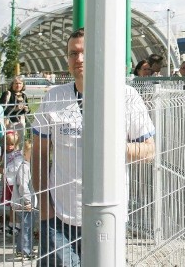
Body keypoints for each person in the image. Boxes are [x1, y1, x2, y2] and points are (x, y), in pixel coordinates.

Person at [32, 28, 156, 266]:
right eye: (72, 54)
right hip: (59, 216)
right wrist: (45, 207)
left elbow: (149, 151)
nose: (78, 59)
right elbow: (38, 153)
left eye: (83, 53)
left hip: (107, 214)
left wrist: (110, 147)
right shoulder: (54, 97)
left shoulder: (126, 97)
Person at [11, 139, 37, 260]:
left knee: (25, 227)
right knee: (27, 227)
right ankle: (26, 251)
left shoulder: (28, 167)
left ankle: (21, 249)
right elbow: (22, 185)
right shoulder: (24, 168)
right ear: (26, 153)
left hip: (24, 203)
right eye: (32, 154)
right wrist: (28, 201)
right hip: (23, 203)